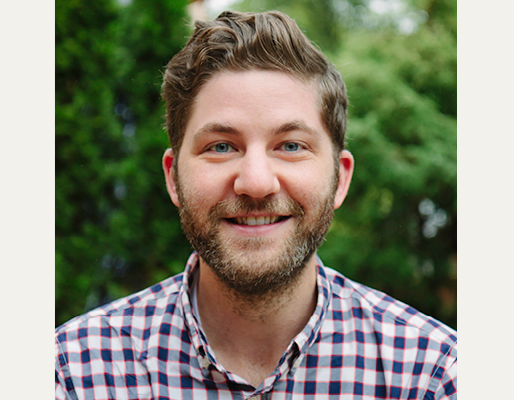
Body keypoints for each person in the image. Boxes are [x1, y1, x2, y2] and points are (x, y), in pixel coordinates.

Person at [55, 10, 456, 400]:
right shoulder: (74, 374)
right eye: (222, 146)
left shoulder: (433, 376)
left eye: (291, 146)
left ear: (341, 178)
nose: (256, 182)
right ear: (173, 177)